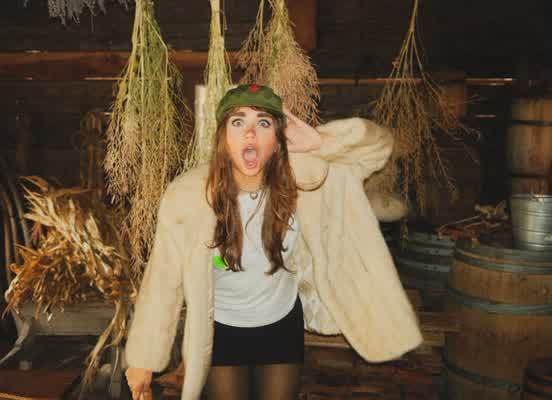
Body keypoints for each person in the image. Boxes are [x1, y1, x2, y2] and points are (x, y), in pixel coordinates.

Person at [124, 84, 422, 400]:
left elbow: (378, 148)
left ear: (277, 140)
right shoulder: (188, 196)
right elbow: (163, 280)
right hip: (220, 329)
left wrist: (320, 142)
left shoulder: (306, 177)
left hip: (280, 322)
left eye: (263, 123)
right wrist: (144, 359)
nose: (250, 133)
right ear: (223, 137)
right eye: (238, 122)